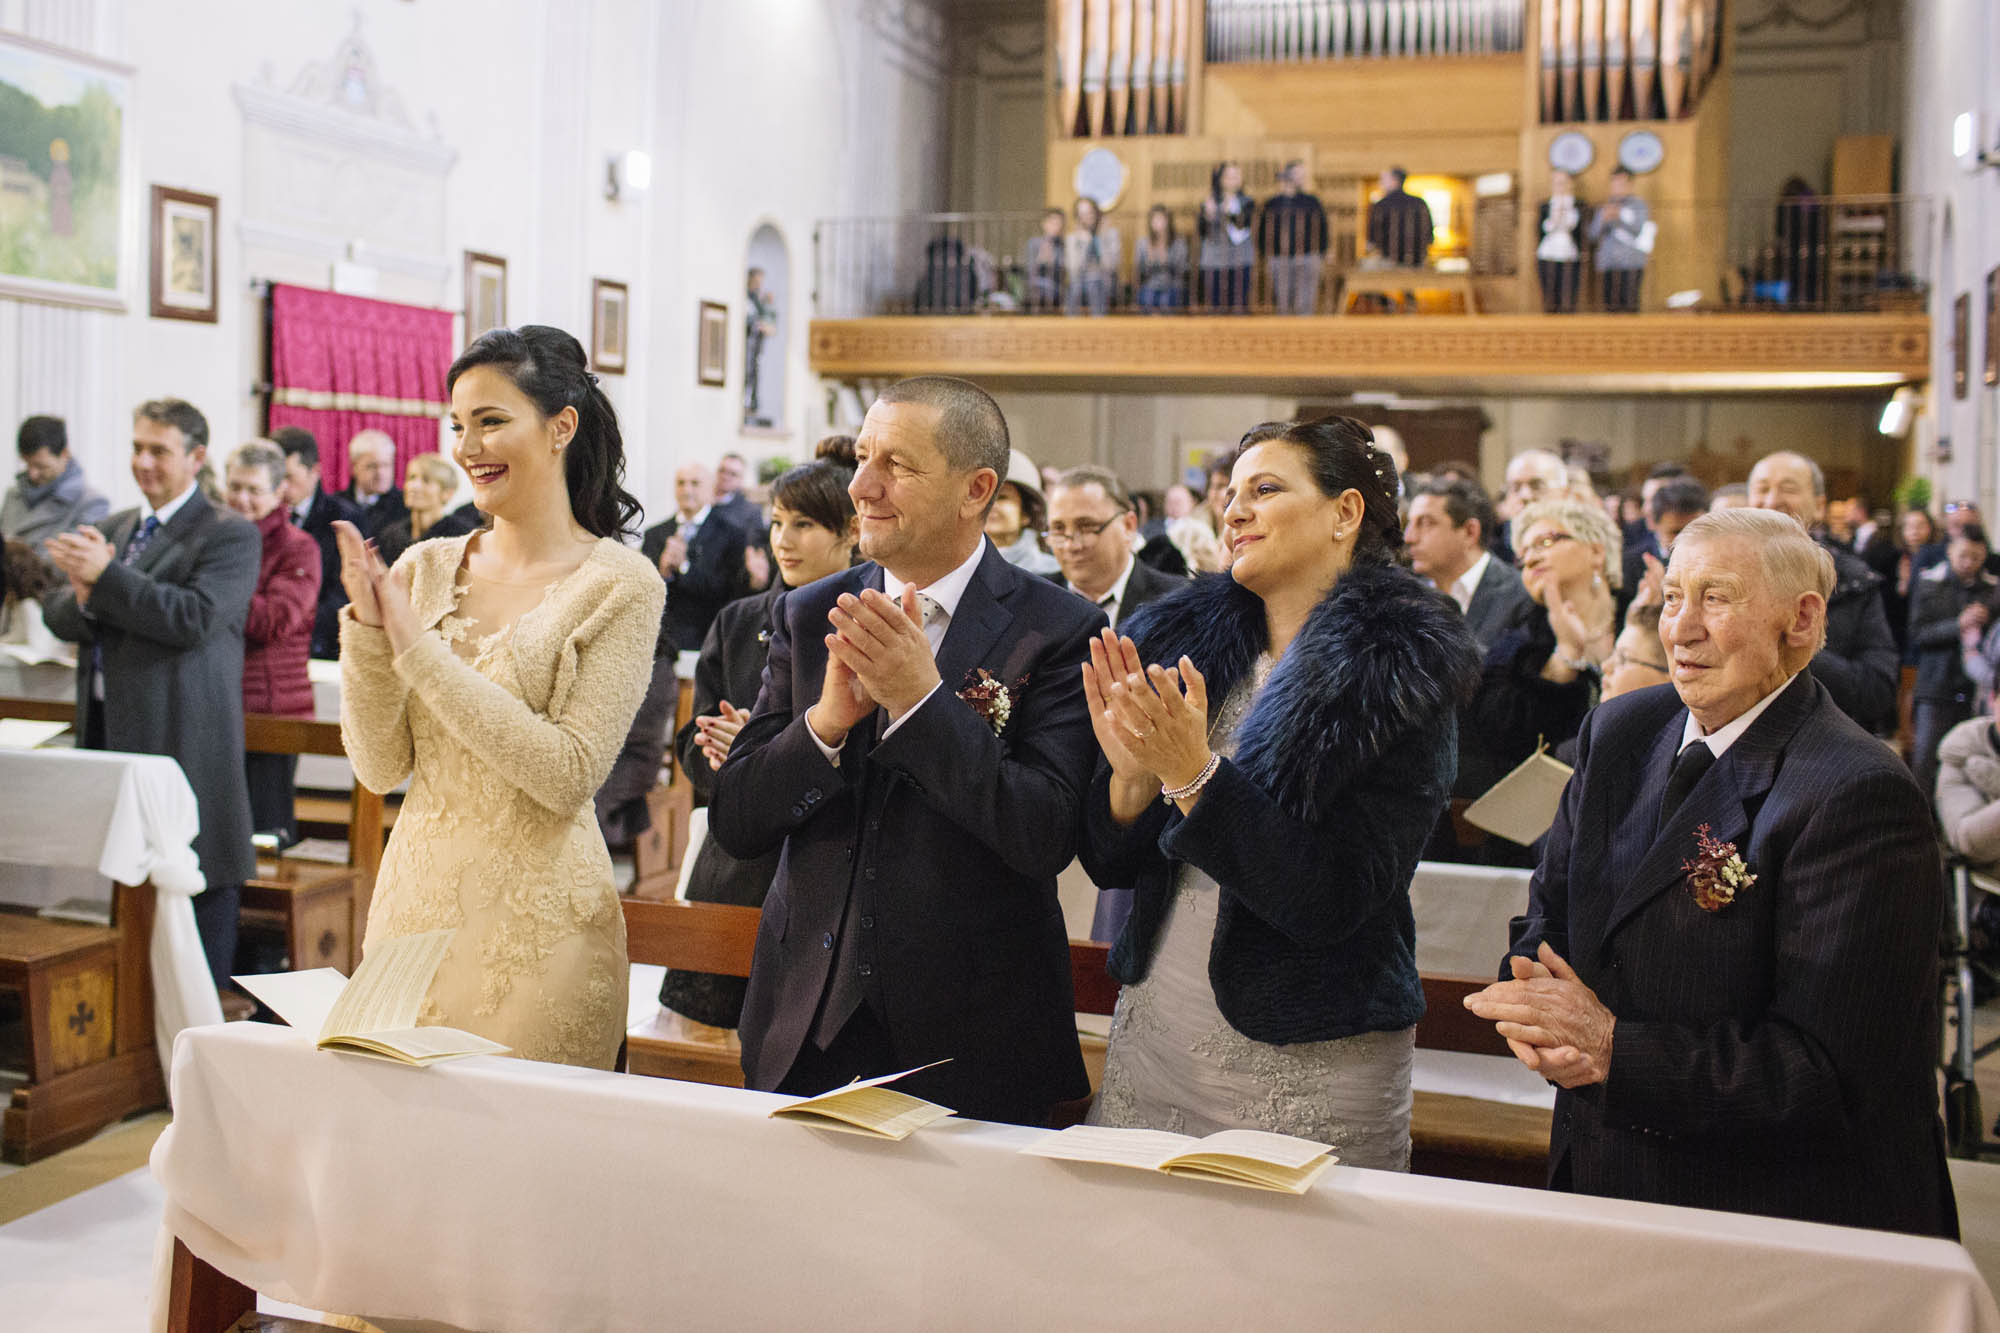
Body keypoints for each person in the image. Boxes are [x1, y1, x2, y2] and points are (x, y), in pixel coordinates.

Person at [1469, 508, 1958, 1238]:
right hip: (1606, 1171)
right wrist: (1538, 1006)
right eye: (1672, 597)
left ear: (1802, 620)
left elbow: (1827, 1076)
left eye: (1717, 598)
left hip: (1773, 1213)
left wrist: (1609, 1048)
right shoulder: (1620, 731)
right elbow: (1550, 917)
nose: (1681, 627)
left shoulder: (1857, 792)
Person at [708, 375, 1105, 1126]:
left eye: (897, 464)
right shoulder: (807, 612)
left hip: (976, 1038)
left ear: (975, 488)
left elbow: (1043, 831)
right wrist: (824, 722)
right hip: (807, 1023)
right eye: (862, 456)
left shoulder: (1056, 628)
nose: (862, 485)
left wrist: (923, 704)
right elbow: (738, 819)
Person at [1078, 417, 1478, 1163]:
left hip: (1310, 1050)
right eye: (1230, 494)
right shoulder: (1188, 645)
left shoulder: (1397, 673)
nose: (1234, 511)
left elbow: (1330, 899)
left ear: (1345, 513)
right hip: (1161, 1030)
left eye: (1265, 490)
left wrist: (1195, 776)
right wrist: (1131, 782)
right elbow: (1113, 864)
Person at [334, 325, 663, 1070]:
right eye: (457, 424)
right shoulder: (424, 566)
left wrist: (417, 650)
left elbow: (566, 774)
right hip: (413, 912)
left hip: (541, 932)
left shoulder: (620, 585)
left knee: (525, 1168)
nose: (468, 447)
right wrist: (364, 627)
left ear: (561, 427)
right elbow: (381, 766)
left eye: (491, 421)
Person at [42, 399, 260, 985]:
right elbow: (62, 616)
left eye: (158, 450)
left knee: (196, 878)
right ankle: (132, 1035)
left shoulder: (228, 533)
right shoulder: (116, 529)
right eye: (137, 447)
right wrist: (88, 593)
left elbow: (195, 617)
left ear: (195, 457)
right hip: (114, 730)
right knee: (125, 892)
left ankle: (197, 1035)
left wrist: (105, 580)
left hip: (184, 731)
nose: (143, 461)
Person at [660, 448, 861, 1029]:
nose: (783, 539)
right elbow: (692, 742)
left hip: (822, 854)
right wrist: (721, 752)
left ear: (850, 532)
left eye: (803, 524)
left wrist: (765, 749)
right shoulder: (741, 619)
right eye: (776, 522)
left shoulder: (863, 620)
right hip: (738, 857)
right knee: (707, 1041)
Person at [1463, 497, 1624, 819]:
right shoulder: (1515, 645)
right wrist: (1565, 656)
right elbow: (1499, 739)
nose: (1532, 556)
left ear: (1596, 551)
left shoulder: (1647, 622)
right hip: (1551, 823)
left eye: (1546, 541)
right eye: (1523, 556)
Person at [1747, 450, 1897, 731]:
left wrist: (1793, 642)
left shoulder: (1854, 581)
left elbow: (1877, 691)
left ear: (1819, 505)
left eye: (1788, 488)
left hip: (1824, 742)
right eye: (1762, 489)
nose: (1771, 500)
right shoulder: (1722, 574)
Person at [223, 440, 321, 847]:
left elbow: (274, 620)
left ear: (281, 490)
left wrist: (215, 592)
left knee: (265, 828)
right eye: (235, 487)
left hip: (272, 705)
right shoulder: (220, 538)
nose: (242, 499)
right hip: (224, 699)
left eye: (254, 490)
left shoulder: (298, 546)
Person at [1908, 524, 1998, 795]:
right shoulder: (1930, 583)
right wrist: (1957, 624)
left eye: (1975, 556)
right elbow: (1918, 633)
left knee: (1966, 761)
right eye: (1963, 555)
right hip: (1935, 685)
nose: (1968, 563)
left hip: (1974, 690)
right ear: (1950, 551)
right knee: (1926, 759)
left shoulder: (1992, 590)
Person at [1045, 466, 1183, 629]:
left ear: (1128, 525)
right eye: (1058, 529)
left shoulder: (1177, 601)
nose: (1071, 545)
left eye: (1087, 526)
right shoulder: (1036, 599)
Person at [1405, 477, 1531, 650]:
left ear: (1470, 532)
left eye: (1426, 523)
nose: (1409, 537)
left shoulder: (1519, 595)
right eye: (1410, 523)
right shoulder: (1406, 595)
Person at [273, 427, 365, 659]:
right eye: (276, 478)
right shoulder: (265, 515)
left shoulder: (344, 518)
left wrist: (297, 628)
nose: (282, 487)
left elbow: (345, 593)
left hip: (320, 644)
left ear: (314, 471)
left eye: (289, 477)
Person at [642, 461, 752, 652]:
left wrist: (684, 567)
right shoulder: (655, 534)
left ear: (710, 489)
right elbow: (644, 592)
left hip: (709, 637)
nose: (687, 490)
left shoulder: (732, 534)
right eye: (681, 483)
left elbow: (729, 590)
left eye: (695, 483)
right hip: (663, 642)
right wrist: (663, 573)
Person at [2, 415, 109, 554]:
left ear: (65, 454)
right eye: (27, 464)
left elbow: (69, 564)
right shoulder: (13, 495)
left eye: (41, 466)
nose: (32, 473)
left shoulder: (92, 504)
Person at [1260, 160, 1327, 315]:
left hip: (1307, 256)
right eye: (1298, 174)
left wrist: (1322, 252)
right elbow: (1264, 230)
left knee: (1305, 303)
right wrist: (1266, 253)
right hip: (1280, 258)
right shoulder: (1272, 203)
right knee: (1283, 303)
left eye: (1303, 174)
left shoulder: (1312, 201)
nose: (1301, 178)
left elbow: (1322, 227)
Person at [372, 453, 459, 568]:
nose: (414, 486)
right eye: (411, 478)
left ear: (447, 493)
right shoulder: (390, 536)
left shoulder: (459, 536)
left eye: (426, 480)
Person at [984, 448, 1059, 575]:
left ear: (1027, 513)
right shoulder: (958, 572)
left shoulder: (1056, 574)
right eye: (984, 496)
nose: (991, 505)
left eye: (1002, 497)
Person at [1590, 169, 1652, 312]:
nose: (1617, 187)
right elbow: (1593, 235)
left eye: (1621, 183)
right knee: (1610, 306)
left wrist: (1619, 216)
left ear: (1630, 184)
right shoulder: (1605, 206)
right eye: (1615, 183)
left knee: (1629, 304)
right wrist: (1603, 219)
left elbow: (1641, 231)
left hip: (1631, 262)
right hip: (1608, 263)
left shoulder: (1639, 206)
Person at [1197, 161, 1255, 312]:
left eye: (1235, 176)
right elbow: (1201, 232)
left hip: (1240, 261)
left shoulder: (1247, 202)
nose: (1232, 180)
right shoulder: (1209, 201)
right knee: (1215, 308)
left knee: (1238, 307)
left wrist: (1229, 212)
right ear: (1220, 179)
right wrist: (1207, 217)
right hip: (1214, 261)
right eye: (1228, 176)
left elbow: (1245, 225)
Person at [1493, 448, 1569, 561]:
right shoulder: (1492, 550)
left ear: (1564, 493)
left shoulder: (1579, 545)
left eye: (1537, 485)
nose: (1525, 496)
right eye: (1516, 488)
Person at [1536, 169, 1586, 313]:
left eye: (1562, 183)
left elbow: (1582, 232)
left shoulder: (1580, 206)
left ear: (1570, 184)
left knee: (1568, 301)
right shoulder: (1545, 206)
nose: (1559, 186)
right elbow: (1539, 232)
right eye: (1556, 183)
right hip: (1547, 256)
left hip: (1570, 257)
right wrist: (1555, 218)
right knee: (1550, 300)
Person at [1366, 166, 1433, 269]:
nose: (1380, 183)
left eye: (1383, 180)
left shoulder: (1381, 205)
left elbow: (1372, 240)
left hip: (1389, 262)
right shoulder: (1420, 203)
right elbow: (1429, 236)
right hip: (1418, 261)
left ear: (1394, 181)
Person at [340, 429, 406, 533]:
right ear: (353, 467)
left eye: (386, 465)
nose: (380, 473)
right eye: (372, 466)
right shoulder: (337, 504)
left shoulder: (405, 506)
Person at [1064, 197, 1121, 317]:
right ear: (1077, 217)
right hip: (1080, 280)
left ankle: (1099, 324)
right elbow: (1073, 268)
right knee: (1076, 288)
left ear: (1097, 213)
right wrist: (1084, 242)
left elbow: (1111, 265)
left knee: (1094, 284)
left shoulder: (1110, 234)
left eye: (1089, 212)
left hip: (1104, 279)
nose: (1087, 217)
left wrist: (1101, 239)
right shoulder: (1072, 238)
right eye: (1082, 214)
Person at [1133, 204, 1188, 311]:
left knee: (1166, 301)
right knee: (1147, 299)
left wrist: (1167, 258)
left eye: (1161, 219)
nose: (1158, 223)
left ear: (1168, 221)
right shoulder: (1143, 243)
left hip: (1172, 285)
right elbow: (1139, 271)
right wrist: (1149, 260)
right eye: (1155, 219)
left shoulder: (1178, 242)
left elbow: (1182, 269)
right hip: (1151, 285)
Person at [743, 271, 778, 426]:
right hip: (747, 346)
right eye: (756, 282)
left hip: (757, 347)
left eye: (760, 282)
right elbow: (750, 318)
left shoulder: (759, 301)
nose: (758, 285)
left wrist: (768, 306)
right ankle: (747, 404)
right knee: (747, 375)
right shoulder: (746, 298)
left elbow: (770, 321)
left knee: (755, 376)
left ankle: (753, 405)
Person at [1024, 208, 1066, 311]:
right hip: (1036, 285)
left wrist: (1053, 264)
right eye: (1053, 223)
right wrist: (1040, 260)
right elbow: (1029, 269)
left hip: (1055, 287)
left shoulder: (1062, 245)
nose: (1056, 227)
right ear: (1044, 224)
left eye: (1059, 224)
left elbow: (1064, 271)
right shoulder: (1033, 243)